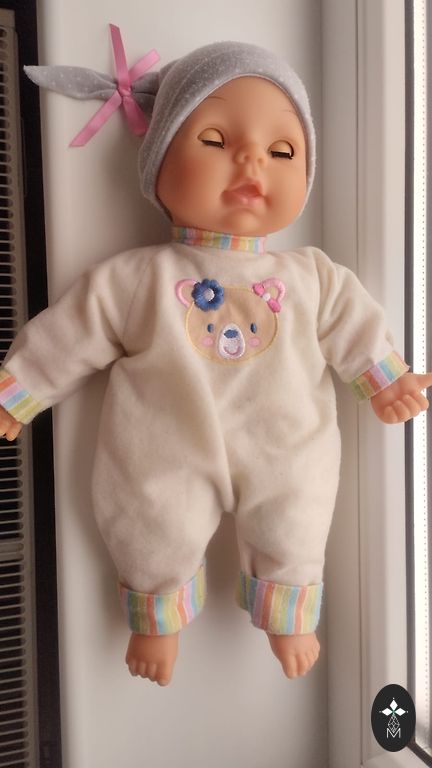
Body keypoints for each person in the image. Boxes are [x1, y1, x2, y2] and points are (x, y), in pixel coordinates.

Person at [1, 40, 430, 687]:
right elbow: (72, 331)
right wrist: (18, 389)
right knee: (149, 519)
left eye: (282, 152)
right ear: (158, 162)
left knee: (298, 514)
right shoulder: (139, 278)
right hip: (167, 444)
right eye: (214, 140)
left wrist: (385, 380)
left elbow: (356, 323)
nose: (252, 160)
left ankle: (290, 612)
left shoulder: (311, 276)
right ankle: (156, 617)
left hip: (285, 444)